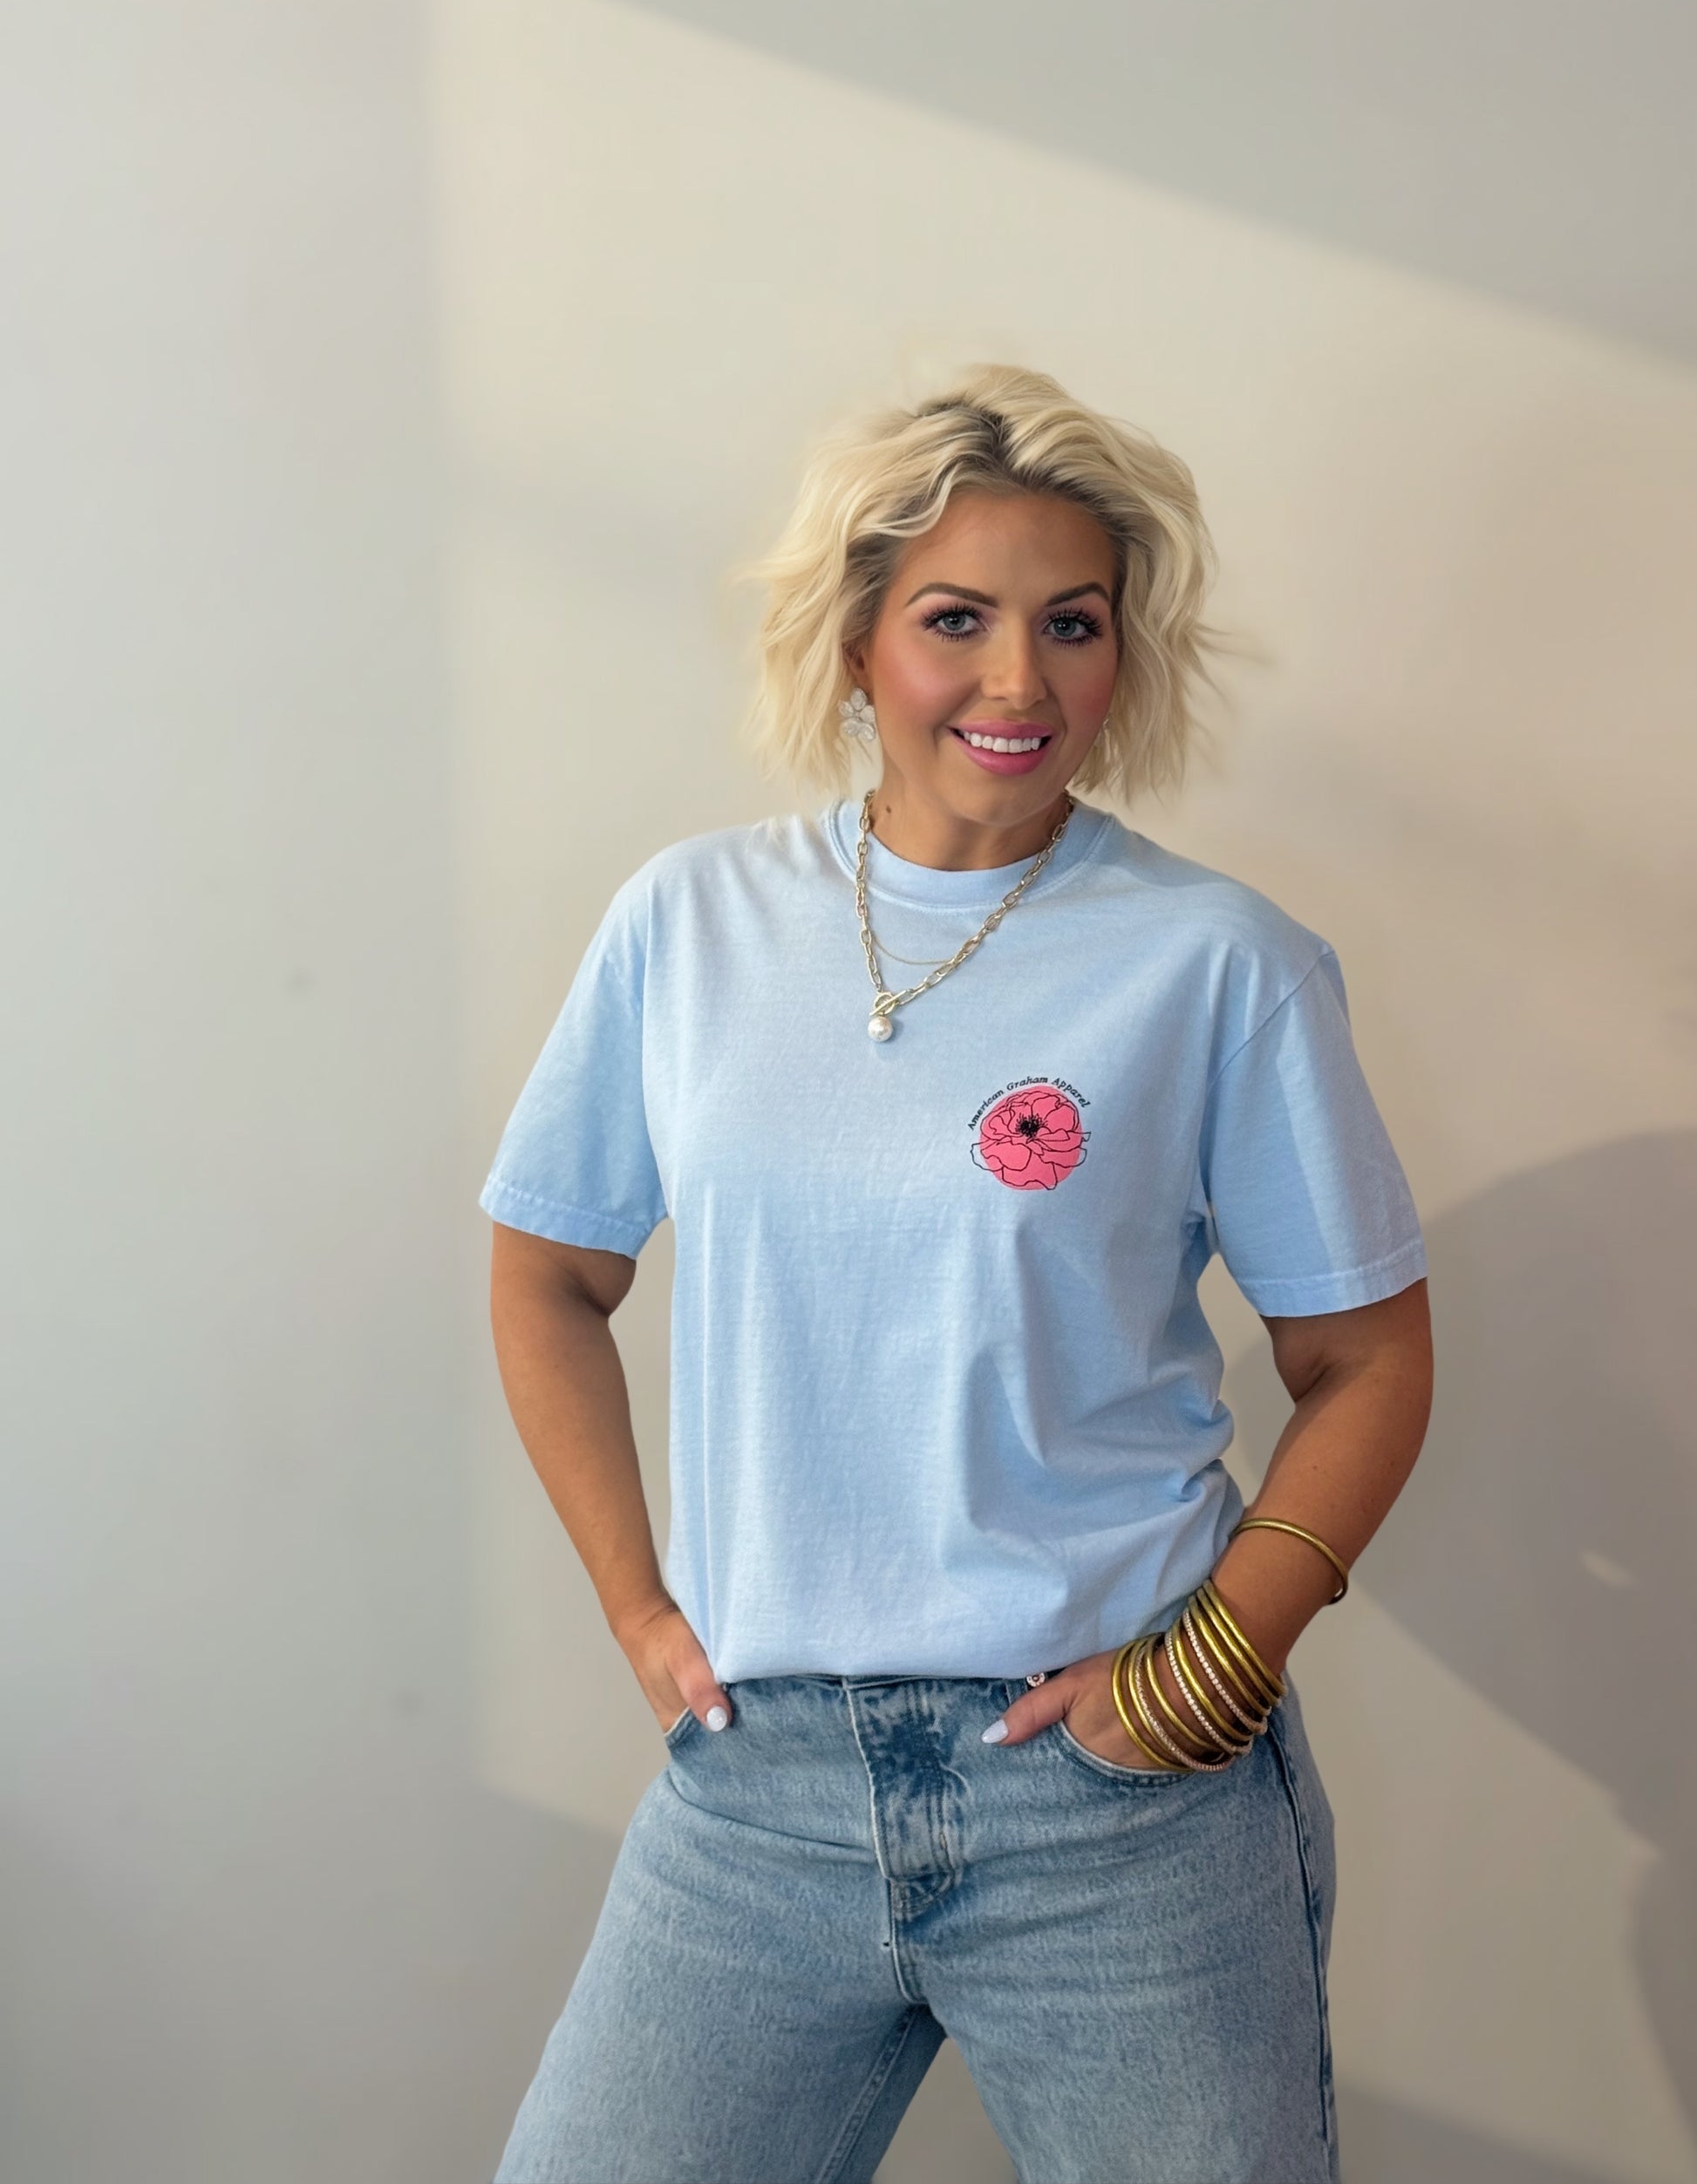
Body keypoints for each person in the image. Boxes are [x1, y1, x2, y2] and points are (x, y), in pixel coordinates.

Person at [478, 364, 1434, 2184]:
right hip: (756, 1789)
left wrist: (1225, 1654)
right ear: (852, 642)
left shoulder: (1212, 963)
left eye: (1071, 624)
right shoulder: (688, 926)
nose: (1019, 682)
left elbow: (1369, 1357)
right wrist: (635, 1607)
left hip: (1114, 1802)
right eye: (954, 620)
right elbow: (545, 1273)